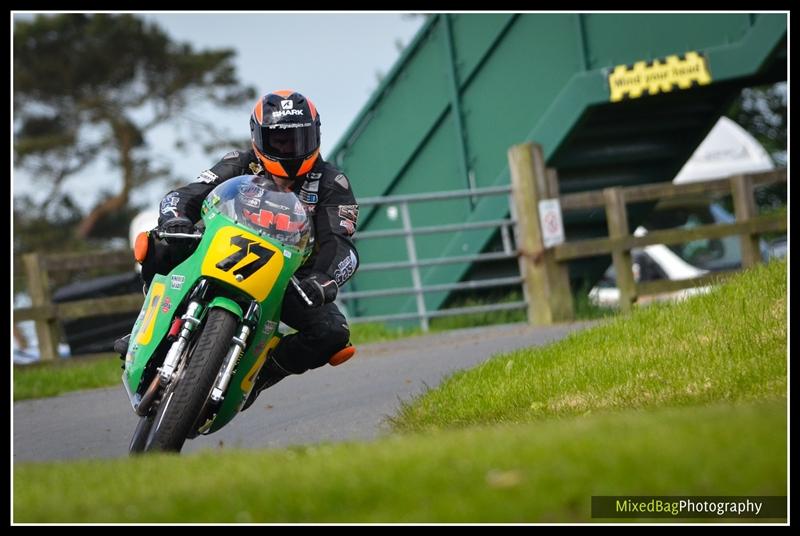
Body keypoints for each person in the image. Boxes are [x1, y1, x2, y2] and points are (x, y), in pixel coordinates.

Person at [117, 89, 360, 410]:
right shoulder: (239, 162)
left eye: (297, 139)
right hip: (221, 252)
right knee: (157, 243)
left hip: (288, 279)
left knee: (332, 333)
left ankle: (260, 373)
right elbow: (185, 195)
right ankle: (146, 325)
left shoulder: (333, 183)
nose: (289, 148)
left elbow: (341, 244)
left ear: (315, 135)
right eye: (279, 140)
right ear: (258, 138)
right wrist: (176, 219)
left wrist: (324, 279)